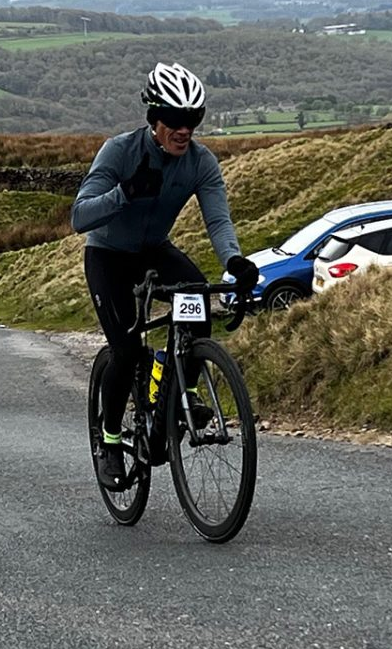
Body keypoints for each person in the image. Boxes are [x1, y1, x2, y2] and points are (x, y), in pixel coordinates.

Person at [71, 62, 260, 491]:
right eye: (175, 120)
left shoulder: (200, 162)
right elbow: (79, 216)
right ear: (154, 118)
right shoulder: (119, 152)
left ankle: (181, 394)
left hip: (153, 251)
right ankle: (111, 440)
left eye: (193, 120)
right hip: (107, 255)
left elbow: (218, 221)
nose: (184, 130)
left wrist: (234, 261)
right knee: (125, 349)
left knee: (196, 301)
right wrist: (125, 193)